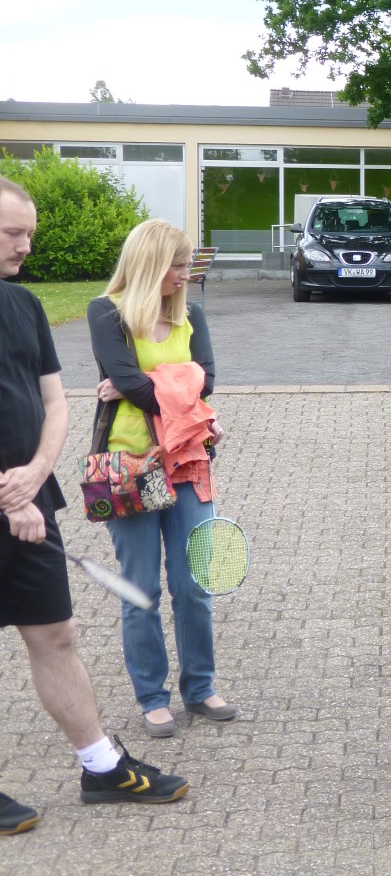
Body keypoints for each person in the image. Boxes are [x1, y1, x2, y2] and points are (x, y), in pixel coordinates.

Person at [0, 179, 187, 833]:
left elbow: (55, 402)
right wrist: (8, 493)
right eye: (12, 233)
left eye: (29, 233)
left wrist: (34, 477)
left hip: (33, 500)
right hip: (12, 502)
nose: (26, 245)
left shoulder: (23, 305)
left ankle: (102, 767)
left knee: (55, 634)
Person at [88, 218, 236, 737]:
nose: (184, 274)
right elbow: (134, 383)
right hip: (131, 466)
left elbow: (207, 381)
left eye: (187, 264)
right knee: (142, 588)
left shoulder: (191, 314)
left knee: (193, 583)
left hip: (188, 460)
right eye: (176, 264)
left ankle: (200, 687)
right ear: (149, 263)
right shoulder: (107, 313)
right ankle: (152, 697)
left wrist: (146, 382)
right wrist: (172, 384)